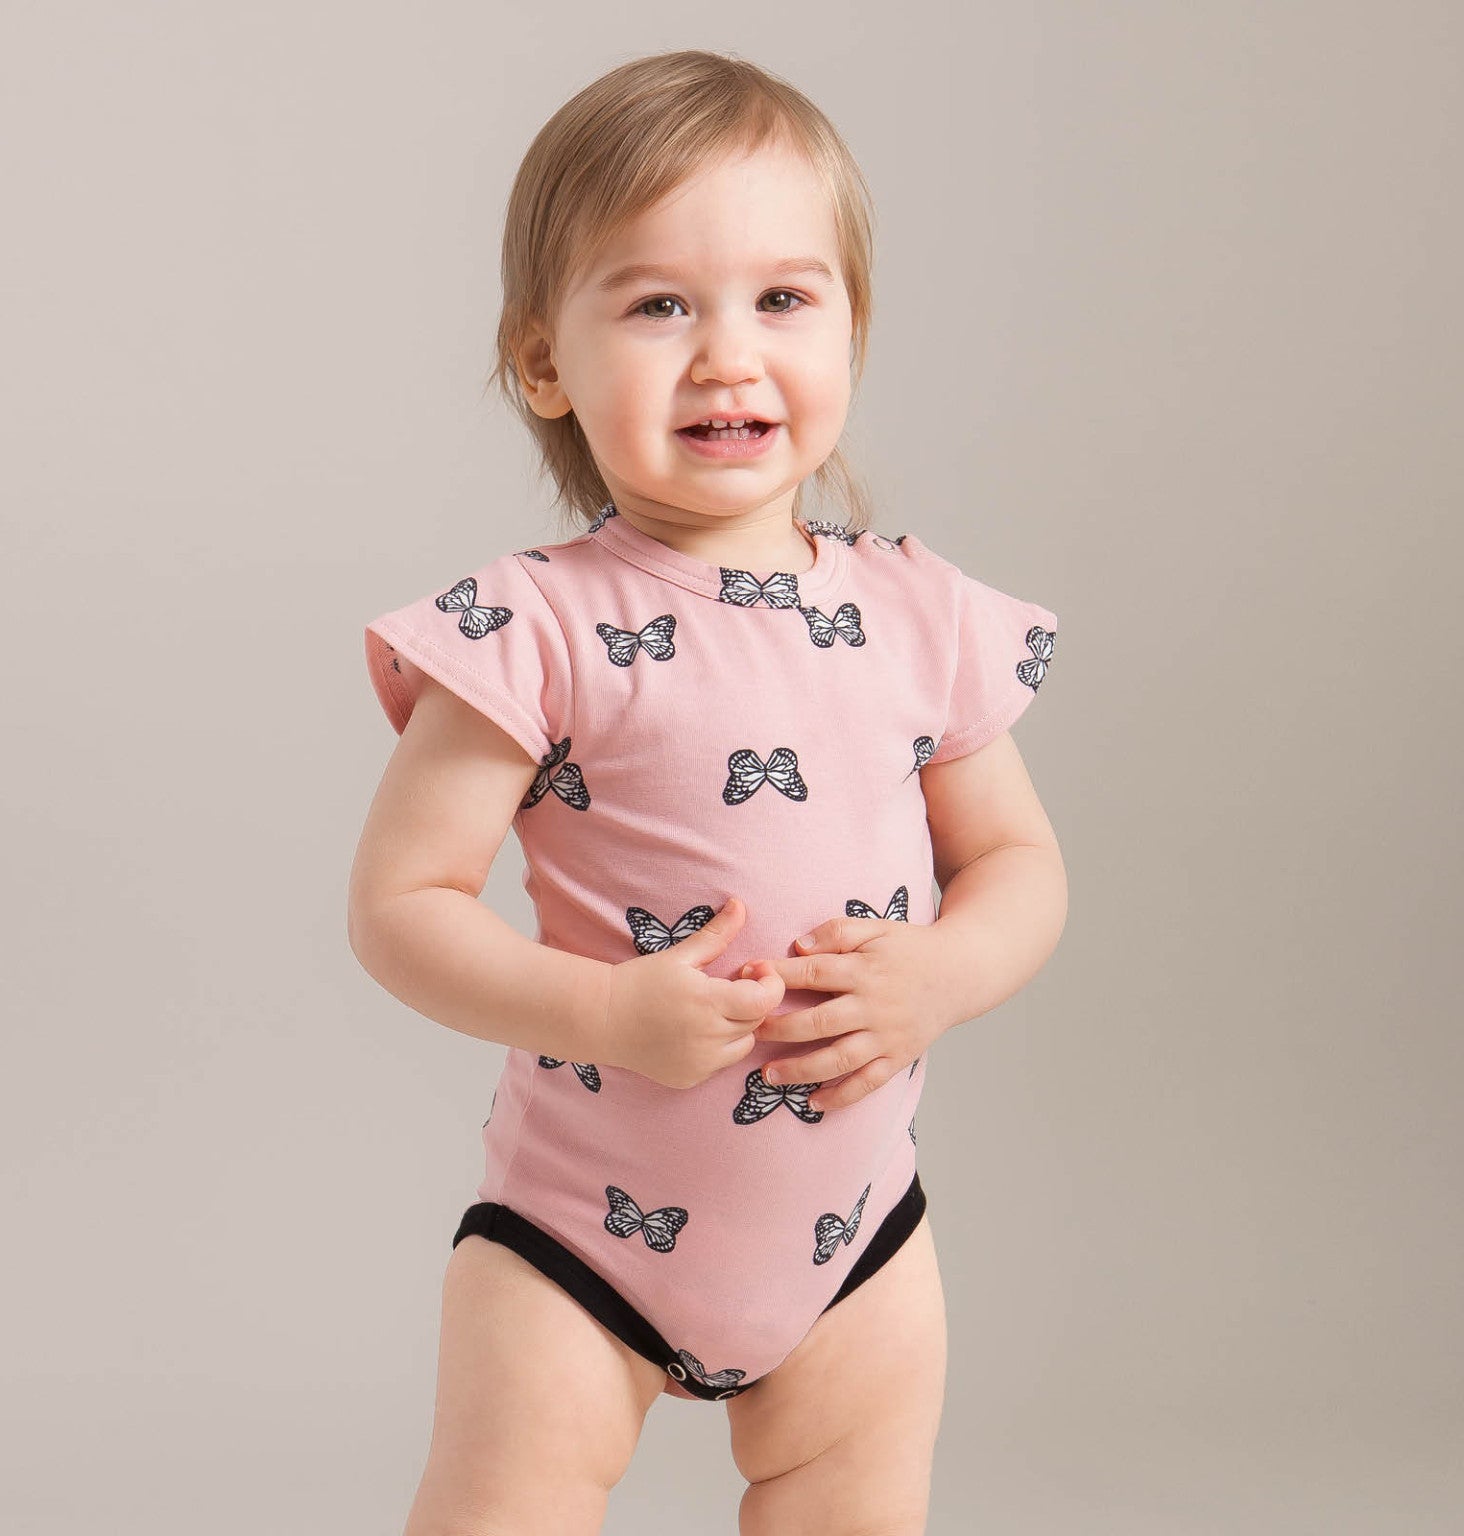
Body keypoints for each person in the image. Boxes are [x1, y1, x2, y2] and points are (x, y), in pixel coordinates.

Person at [348, 48, 1066, 1536]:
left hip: (856, 1233)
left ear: (853, 329)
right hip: (576, 1240)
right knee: (508, 1505)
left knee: (856, 1503)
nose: (728, 357)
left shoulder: (922, 616)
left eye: (783, 299)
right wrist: (604, 1014)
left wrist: (935, 980)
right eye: (660, 305)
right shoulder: (532, 627)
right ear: (545, 360)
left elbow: (1020, 866)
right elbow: (400, 907)